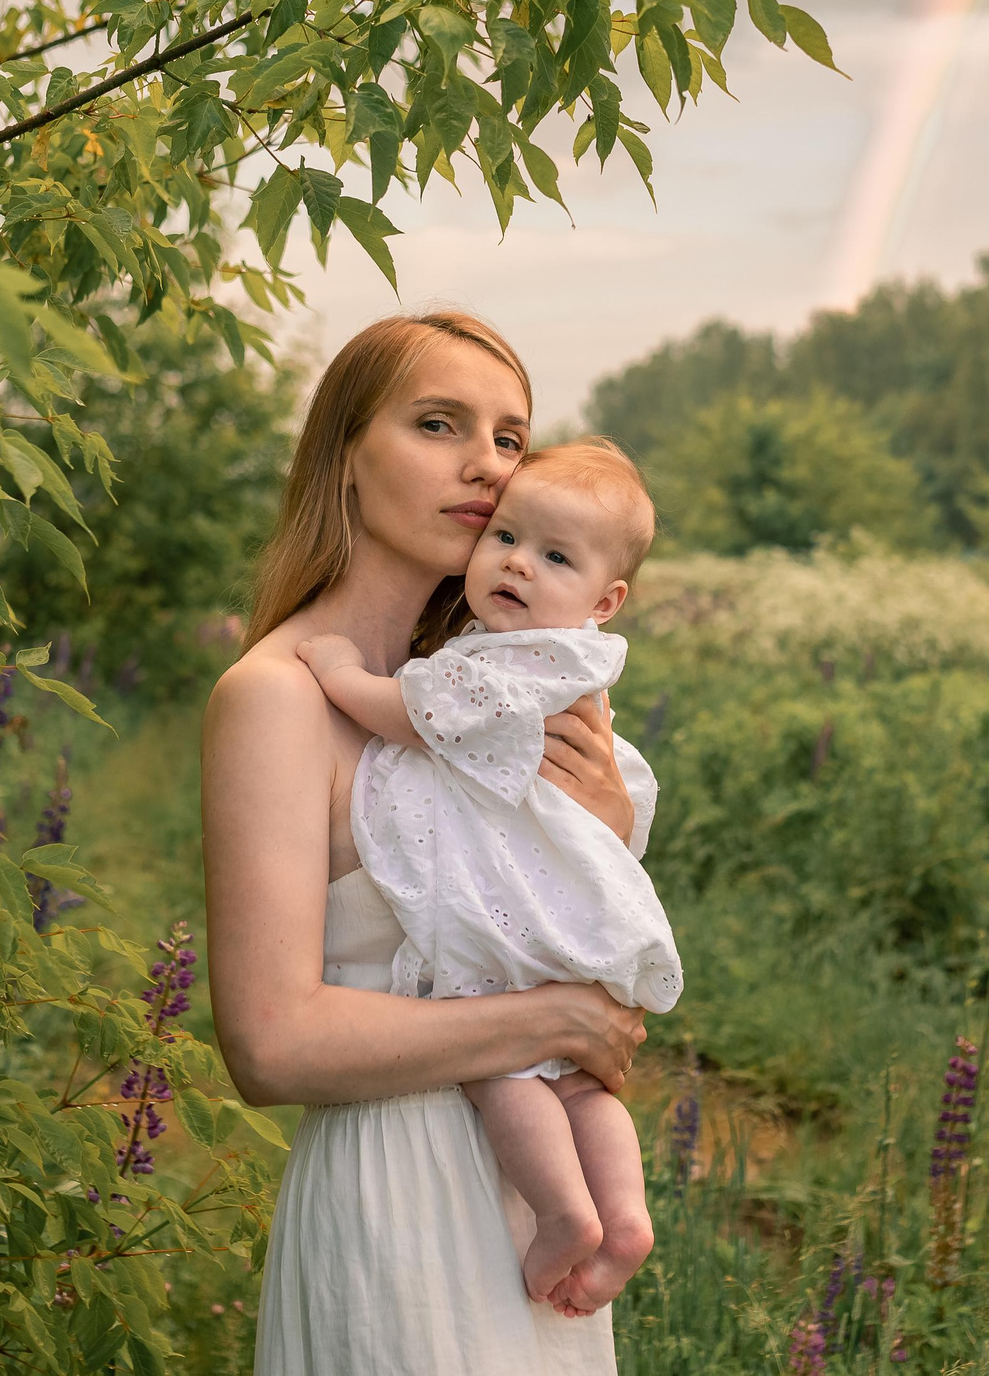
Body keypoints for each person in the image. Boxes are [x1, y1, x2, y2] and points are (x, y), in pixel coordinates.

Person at [203, 312, 649, 1376]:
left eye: (508, 437)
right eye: (440, 424)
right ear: (344, 457)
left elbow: (561, 906)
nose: (486, 467)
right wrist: (553, 1019)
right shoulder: (277, 697)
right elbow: (269, 1045)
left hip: (536, 1193)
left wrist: (611, 827)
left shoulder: (497, 692)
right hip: (396, 1196)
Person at [294, 439, 679, 1316]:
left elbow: (416, 713)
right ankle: (624, 1216)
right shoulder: (574, 656)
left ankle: (564, 1212)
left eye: (553, 556)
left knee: (505, 1068)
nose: (515, 562)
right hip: (565, 918)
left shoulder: (505, 663)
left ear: (607, 598)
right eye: (507, 535)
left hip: (510, 922)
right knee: (579, 1084)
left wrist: (344, 674)